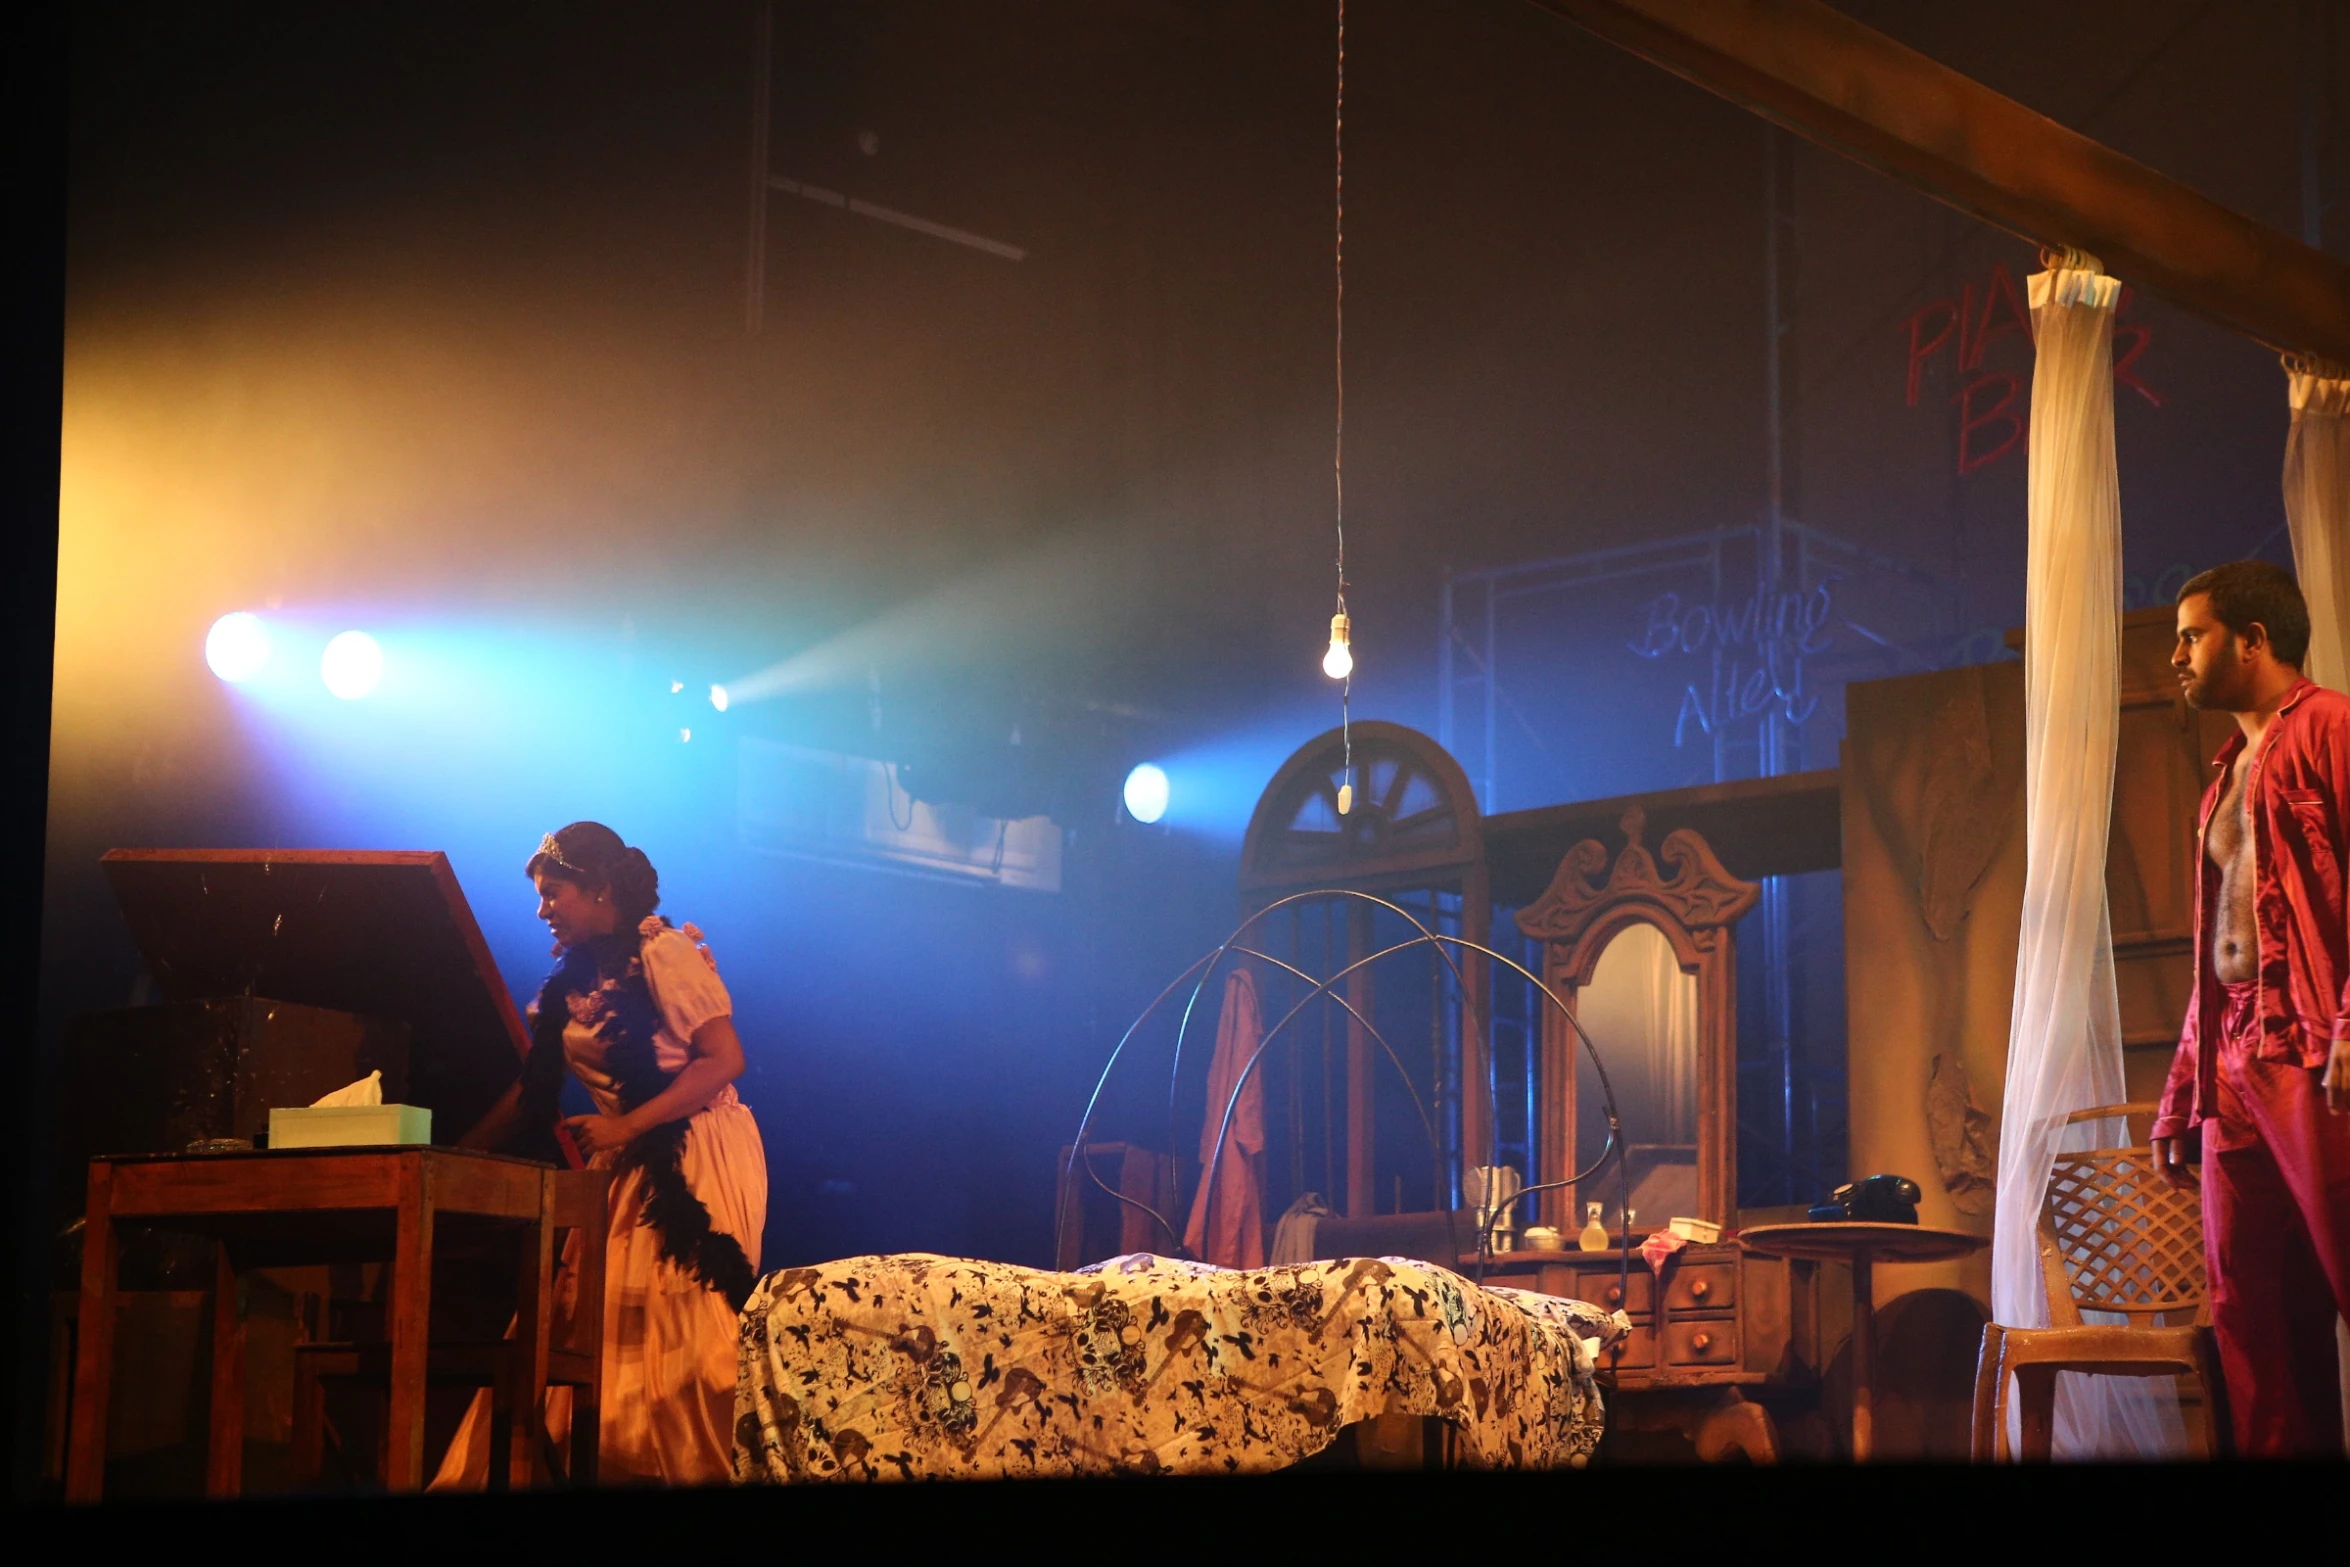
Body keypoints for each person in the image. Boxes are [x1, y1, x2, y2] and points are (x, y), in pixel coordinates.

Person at [443, 821, 767, 1485]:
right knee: (591, 1326)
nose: (542, 909)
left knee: (687, 1330)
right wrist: (450, 1157)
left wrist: (626, 1127)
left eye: (553, 891)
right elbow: (532, 1095)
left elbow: (725, 1059)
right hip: (628, 1163)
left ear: (597, 890)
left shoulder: (664, 952)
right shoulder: (570, 989)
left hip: (697, 1149)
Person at [2151, 561, 2350, 1457]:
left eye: (2193, 635)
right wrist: (2184, 1082)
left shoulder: (2333, 727)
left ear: (2253, 639)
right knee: (2249, 1304)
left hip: (2311, 1041)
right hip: (2232, 1057)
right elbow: (2216, 946)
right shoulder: (2222, 776)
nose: (2178, 654)